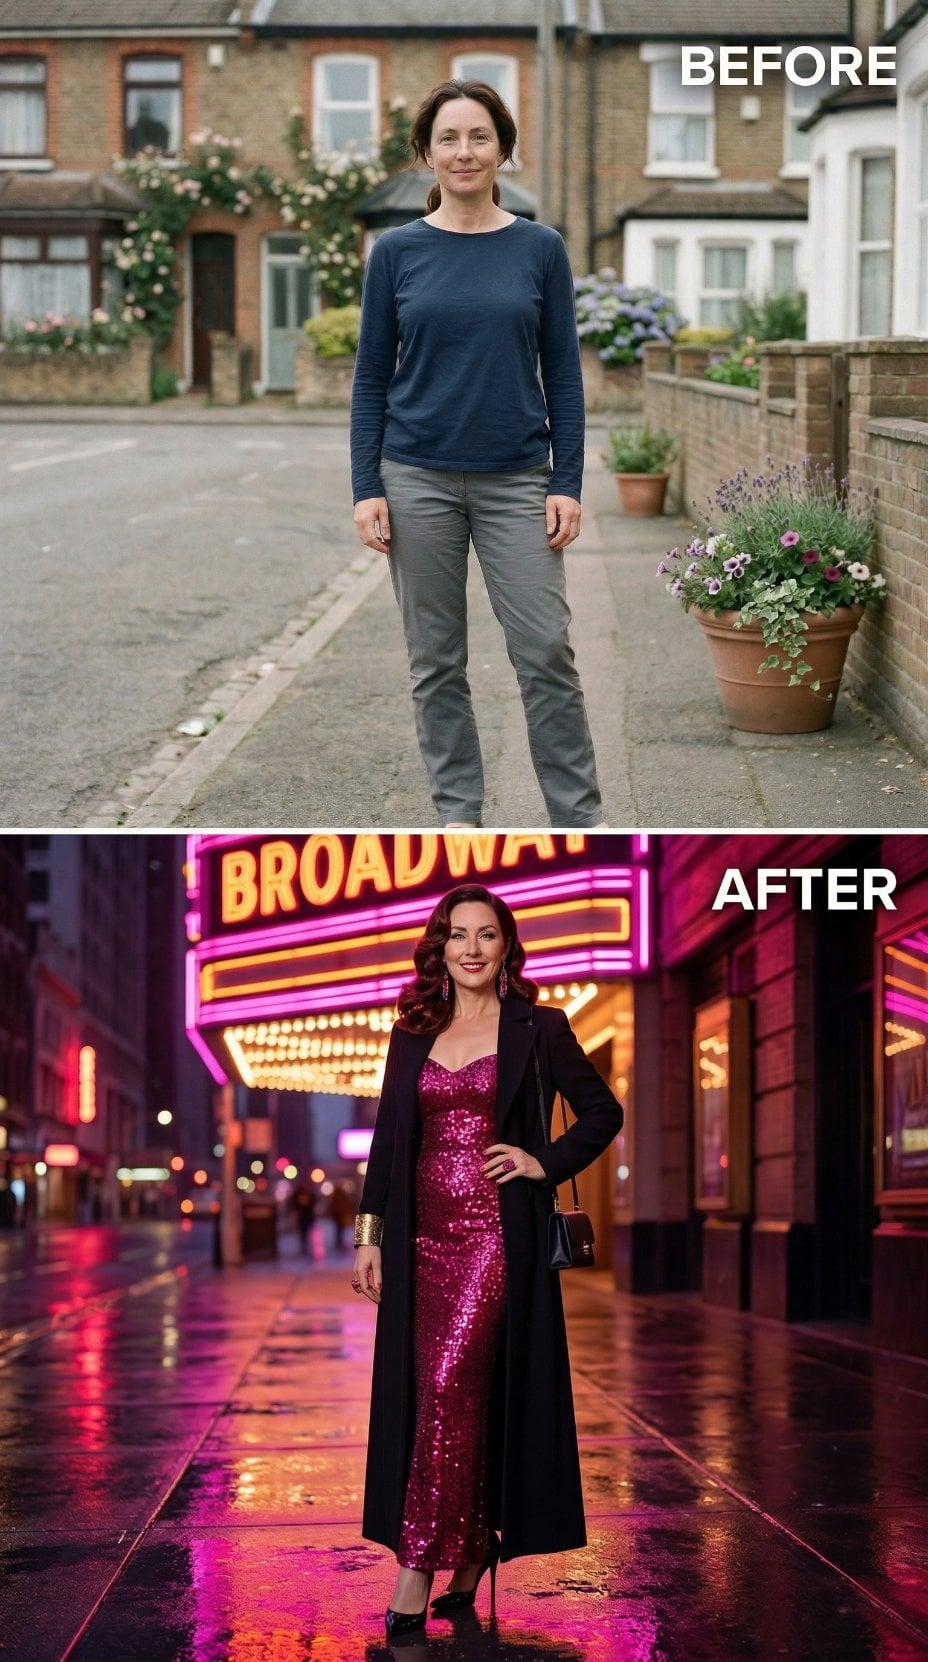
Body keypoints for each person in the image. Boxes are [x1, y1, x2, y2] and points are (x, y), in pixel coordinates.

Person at [351, 883, 623, 1639]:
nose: (471, 949)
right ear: (438, 946)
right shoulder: (411, 1034)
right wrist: (368, 1237)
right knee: (449, 1396)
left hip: (496, 1242)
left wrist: (543, 1161)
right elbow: (385, 1145)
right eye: (457, 935)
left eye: (487, 936)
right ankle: (473, 1551)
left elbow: (603, 1112)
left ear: (507, 947)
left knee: (446, 1388)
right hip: (417, 1242)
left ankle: (418, 1564)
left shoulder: (540, 1029)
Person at [351, 79, 606, 830]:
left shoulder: (540, 247)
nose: (465, 152)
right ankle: (459, 814)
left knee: (546, 652)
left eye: (479, 137)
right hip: (416, 477)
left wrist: (567, 479)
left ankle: (580, 819)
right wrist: (367, 486)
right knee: (436, 664)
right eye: (449, 138)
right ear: (426, 153)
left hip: (518, 482)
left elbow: (562, 369)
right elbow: (371, 378)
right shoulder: (396, 253)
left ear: (503, 149)